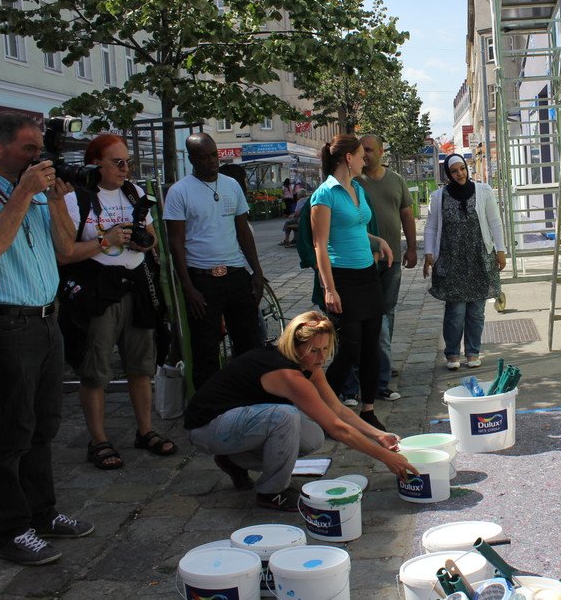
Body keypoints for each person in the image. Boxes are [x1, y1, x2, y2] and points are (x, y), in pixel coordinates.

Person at [184, 311, 418, 510]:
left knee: (312, 437)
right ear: (295, 345)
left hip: (238, 422)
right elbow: (338, 429)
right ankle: (271, 493)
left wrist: (379, 435)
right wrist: (385, 457)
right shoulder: (288, 374)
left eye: (326, 349)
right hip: (207, 428)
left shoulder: (307, 363)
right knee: (285, 417)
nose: (322, 357)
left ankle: (235, 460)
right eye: (314, 350)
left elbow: (337, 409)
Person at [0, 112, 92, 565]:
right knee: (9, 431)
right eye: (29, 149)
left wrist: (54, 201)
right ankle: (11, 530)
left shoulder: (32, 191)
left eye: (41, 149)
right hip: (6, 325)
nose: (40, 158)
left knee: (43, 425)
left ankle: (42, 513)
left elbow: (66, 250)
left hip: (48, 321)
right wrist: (22, 194)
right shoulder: (13, 192)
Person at [59, 134, 176, 470]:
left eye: (128, 162)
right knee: (95, 370)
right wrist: (106, 240)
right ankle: (98, 440)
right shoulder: (75, 198)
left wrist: (142, 242)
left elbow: (153, 238)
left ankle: (145, 430)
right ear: (95, 163)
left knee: (141, 366)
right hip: (97, 292)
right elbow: (65, 253)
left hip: (136, 287)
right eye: (118, 162)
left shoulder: (134, 192)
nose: (126, 168)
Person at [163, 133, 265, 391]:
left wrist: (256, 271)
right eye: (204, 157)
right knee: (206, 349)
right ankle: (209, 405)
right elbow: (176, 244)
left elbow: (243, 231)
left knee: (250, 342)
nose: (212, 161)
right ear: (191, 159)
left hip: (236, 274)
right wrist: (188, 287)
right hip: (202, 280)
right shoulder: (179, 192)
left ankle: (249, 396)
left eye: (214, 154)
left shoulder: (231, 185)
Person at [311, 134, 394, 430]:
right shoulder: (325, 194)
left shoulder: (357, 188)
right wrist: (329, 289)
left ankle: (368, 410)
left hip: (367, 275)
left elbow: (356, 227)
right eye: (360, 155)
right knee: (350, 349)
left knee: (372, 346)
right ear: (348, 158)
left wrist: (378, 240)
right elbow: (320, 245)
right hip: (342, 279)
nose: (364, 159)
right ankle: (324, 411)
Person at [423, 154, 506, 370]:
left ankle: (472, 352)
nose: (460, 174)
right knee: (455, 311)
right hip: (451, 259)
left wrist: (501, 250)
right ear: (448, 174)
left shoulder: (483, 191)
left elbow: (495, 221)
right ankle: (452, 353)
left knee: (476, 310)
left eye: (462, 169)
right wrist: (429, 253)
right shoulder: (438, 197)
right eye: (454, 171)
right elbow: (431, 226)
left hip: (479, 257)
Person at [356, 134, 417, 400]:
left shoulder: (396, 180)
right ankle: (375, 364)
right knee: (372, 315)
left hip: (392, 259)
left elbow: (407, 215)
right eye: (362, 150)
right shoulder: (355, 181)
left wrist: (412, 248)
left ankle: (383, 361)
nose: (365, 154)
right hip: (364, 260)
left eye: (369, 150)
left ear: (381, 151)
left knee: (387, 312)